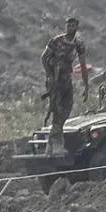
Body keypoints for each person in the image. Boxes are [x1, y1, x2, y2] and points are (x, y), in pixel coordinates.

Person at [41, 18, 89, 150]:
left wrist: (86, 86)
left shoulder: (78, 44)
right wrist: (50, 75)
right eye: (68, 26)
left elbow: (83, 65)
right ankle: (54, 143)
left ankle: (54, 139)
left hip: (66, 79)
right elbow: (44, 58)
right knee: (57, 110)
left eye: (73, 26)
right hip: (55, 80)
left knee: (67, 108)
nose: (70, 28)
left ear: (76, 28)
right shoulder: (56, 41)